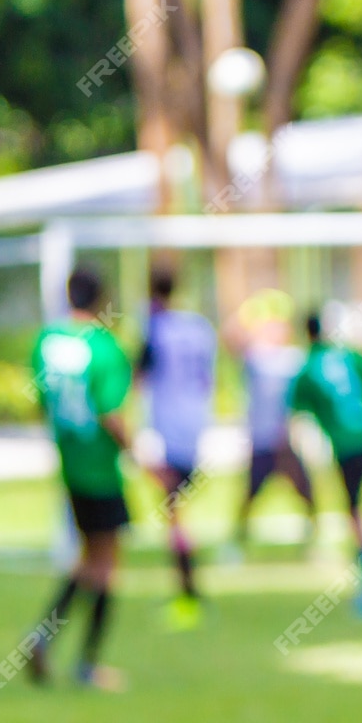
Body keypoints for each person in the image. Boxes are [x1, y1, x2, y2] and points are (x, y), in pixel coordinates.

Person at [24, 266, 132, 690]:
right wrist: (138, 453)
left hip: (69, 461)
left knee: (88, 558)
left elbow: (41, 400)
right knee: (105, 563)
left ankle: (45, 639)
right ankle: (87, 663)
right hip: (101, 467)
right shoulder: (105, 348)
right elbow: (110, 414)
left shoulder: (46, 342)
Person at [289, 311, 362, 616]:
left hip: (345, 447)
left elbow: (294, 414)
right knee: (356, 511)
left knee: (355, 514)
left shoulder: (308, 368)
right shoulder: (348, 355)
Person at [138, 267, 215, 631]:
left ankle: (188, 592)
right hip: (196, 424)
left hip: (167, 428)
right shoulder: (198, 326)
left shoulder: (153, 328)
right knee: (174, 508)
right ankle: (187, 589)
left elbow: (138, 376)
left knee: (172, 511)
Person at [231, 293, 319, 553]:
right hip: (262, 439)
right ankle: (237, 541)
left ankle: (313, 539)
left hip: (286, 440)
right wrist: (249, 315)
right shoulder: (256, 357)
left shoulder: (294, 358)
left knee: (306, 490)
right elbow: (233, 340)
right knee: (251, 494)